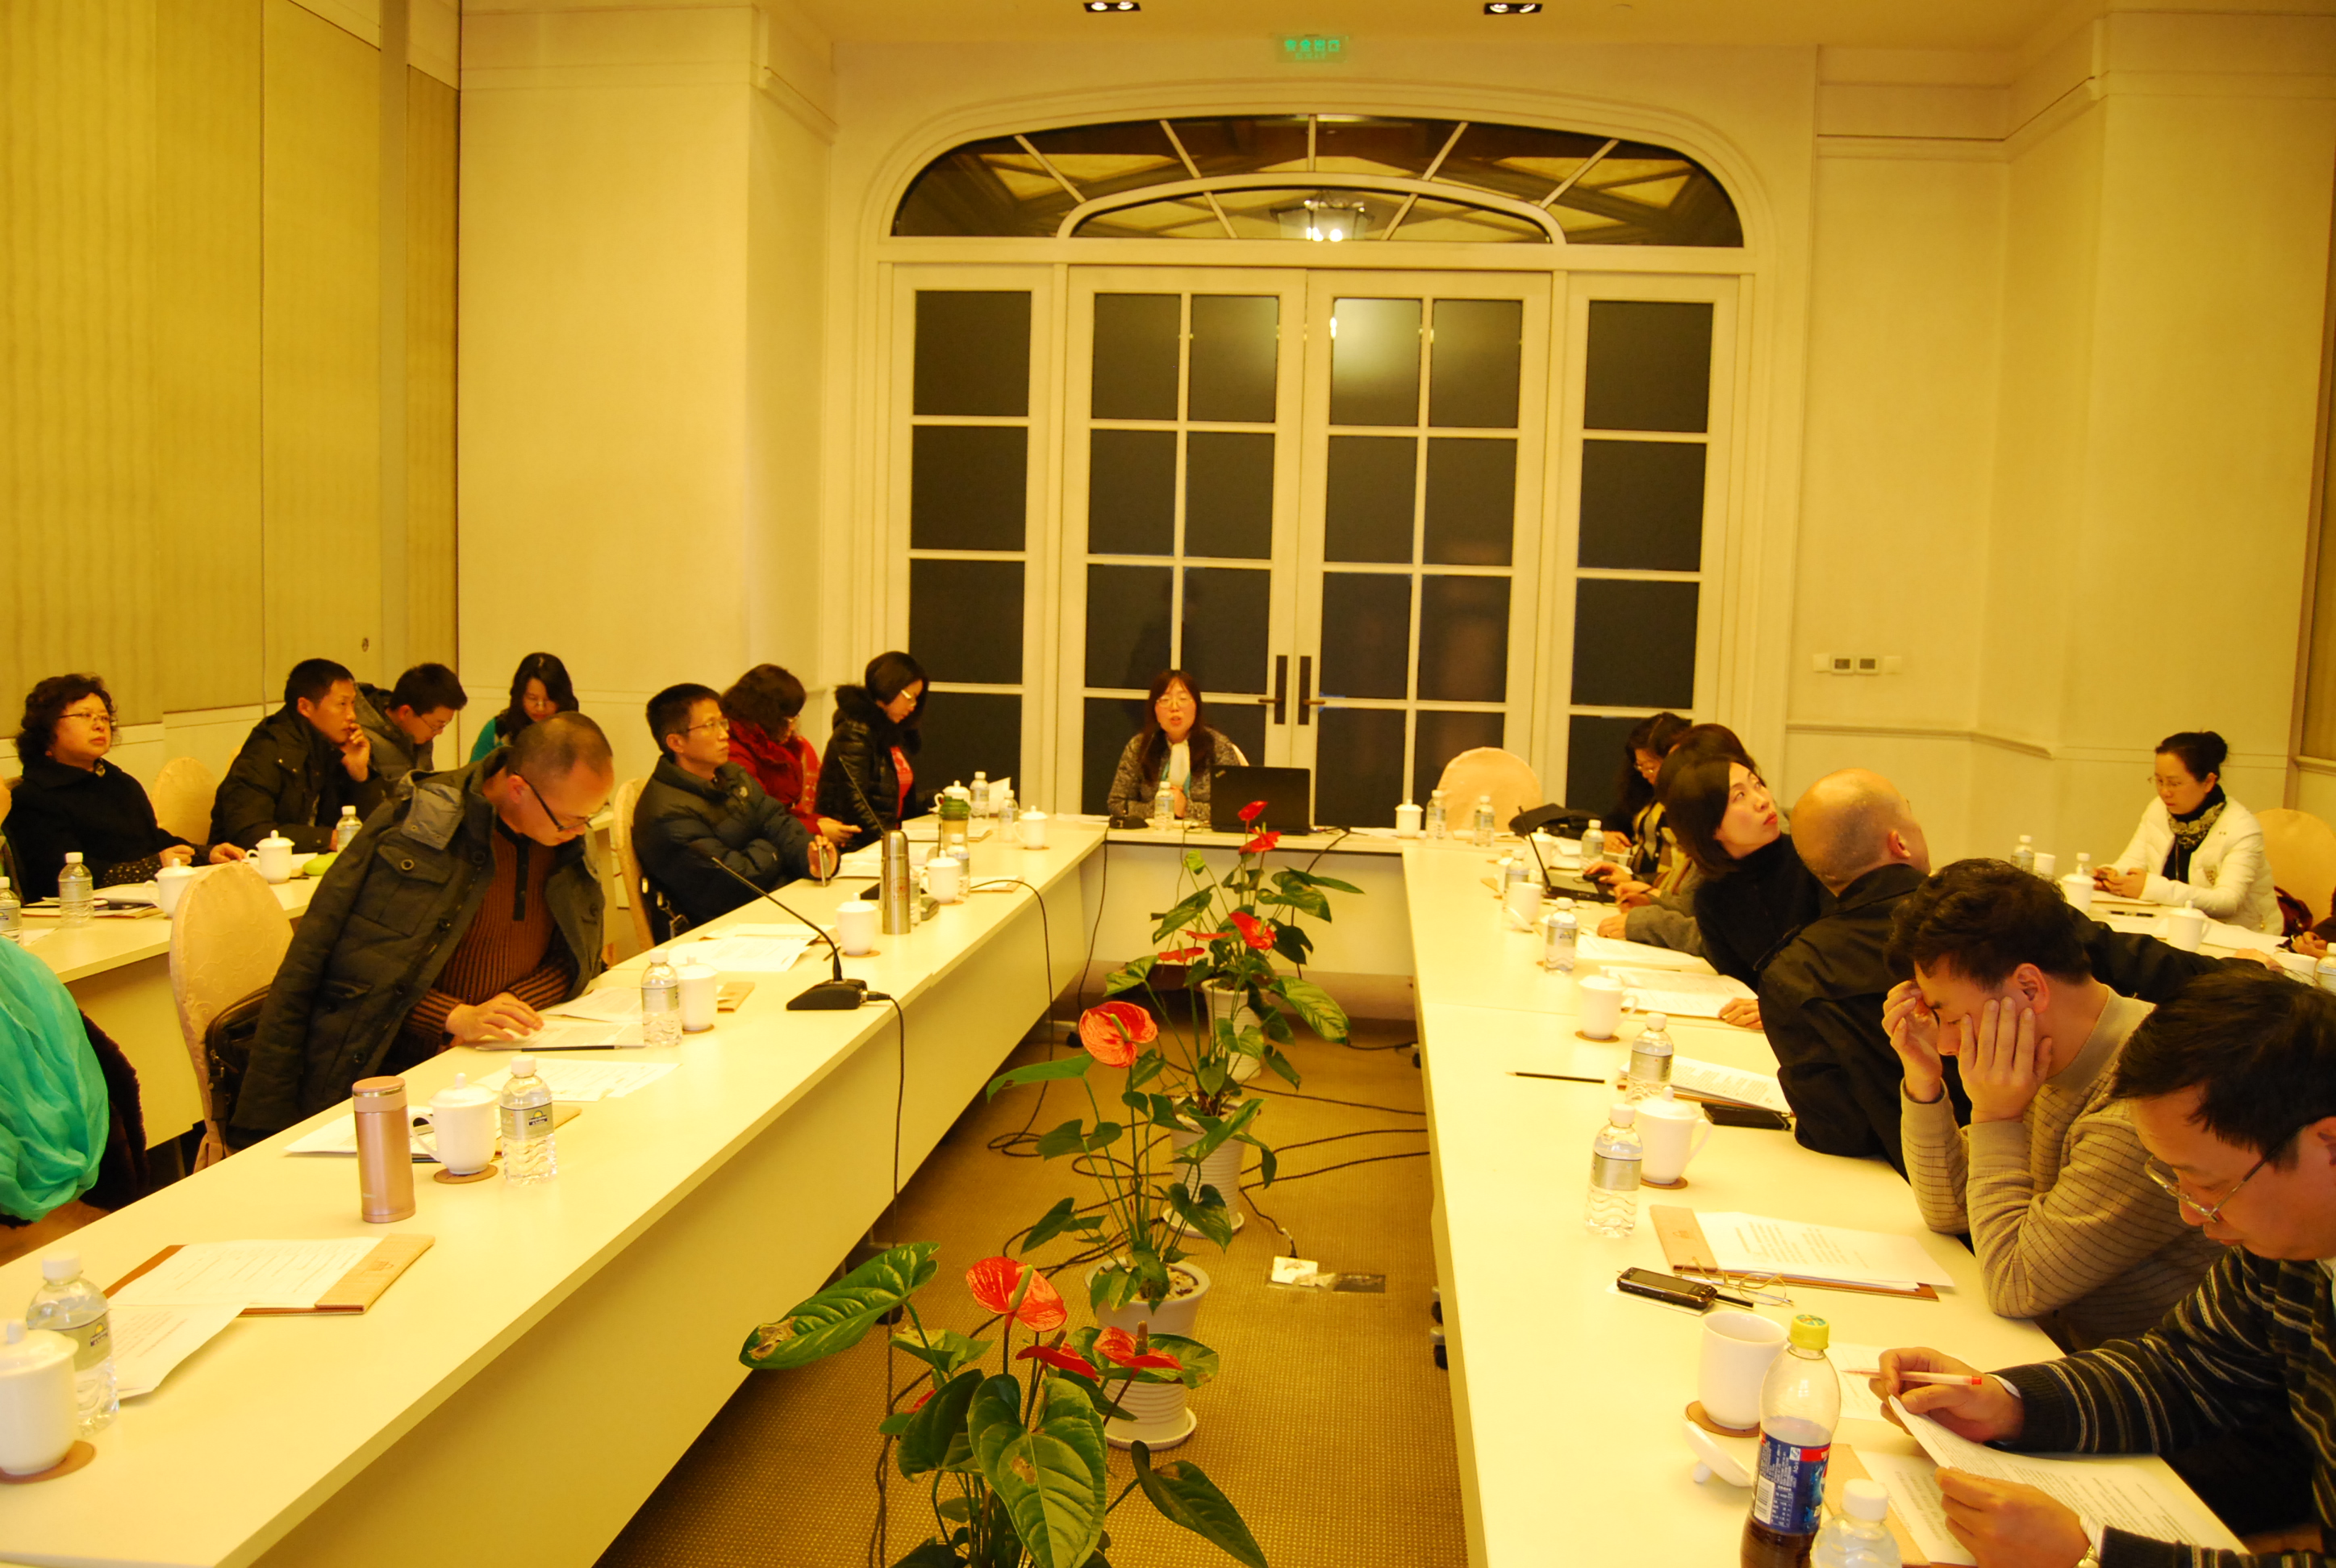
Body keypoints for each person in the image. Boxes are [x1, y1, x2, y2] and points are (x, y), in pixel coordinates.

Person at [1874, 972, 2336, 1563]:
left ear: (2329, 1144)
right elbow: (2186, 1371)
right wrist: (2010, 1404)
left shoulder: (2285, 1238)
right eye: (2175, 1178)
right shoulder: (2286, 1247)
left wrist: (2094, 1554)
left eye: (2209, 1185)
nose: (2191, 1213)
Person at [228, 712, 615, 1141]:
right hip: (401, 1070)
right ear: (518, 789)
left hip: (499, 1056)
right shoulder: (423, 831)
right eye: (570, 819)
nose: (578, 831)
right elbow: (354, 969)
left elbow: (574, 956)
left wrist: (508, 1012)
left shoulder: (560, 841)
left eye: (589, 817)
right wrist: (452, 1016)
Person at [1883, 858, 2221, 1345]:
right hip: (2057, 1347)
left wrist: (1995, 1116)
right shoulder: (2037, 1057)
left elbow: (2015, 1285)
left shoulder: (2145, 1102)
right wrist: (1923, 1080)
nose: (1949, 1044)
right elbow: (1952, 1208)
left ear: (2029, 987)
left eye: (1951, 1018)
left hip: (2131, 1371)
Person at [1757, 769, 1942, 1172]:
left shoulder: (1798, 970)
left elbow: (1838, 1133)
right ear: (1900, 842)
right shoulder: (1993, 916)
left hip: (1904, 1176)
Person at [7, 674, 244, 899]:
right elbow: (58, 876)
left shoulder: (119, 781)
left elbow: (152, 840)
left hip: (141, 901)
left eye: (103, 718)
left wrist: (205, 854)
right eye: (85, 716)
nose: (99, 725)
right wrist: (152, 866)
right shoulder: (35, 795)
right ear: (48, 728)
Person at [632, 683, 832, 936]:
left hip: (772, 907)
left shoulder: (732, 775)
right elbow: (736, 883)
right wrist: (772, 848)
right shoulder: (667, 813)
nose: (724, 734)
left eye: (722, 723)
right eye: (710, 725)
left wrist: (813, 858)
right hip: (722, 934)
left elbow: (778, 822)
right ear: (676, 742)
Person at [1662, 726, 1825, 1024]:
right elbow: (1738, 987)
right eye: (1739, 796)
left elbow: (1849, 967)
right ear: (1711, 827)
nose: (1762, 800)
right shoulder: (1711, 898)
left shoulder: (1814, 860)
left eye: (1758, 784)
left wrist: (1782, 1009)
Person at [2099, 730, 2279, 933]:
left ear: (2208, 782)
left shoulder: (2241, 828)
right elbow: (2134, 861)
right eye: (2159, 781)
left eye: (2174, 783)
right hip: (2170, 926)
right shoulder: (2158, 809)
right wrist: (2111, 875)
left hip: (2238, 935)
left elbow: (2227, 902)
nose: (2164, 792)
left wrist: (2151, 888)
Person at [208, 658, 390, 853]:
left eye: (353, 704)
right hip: (246, 864)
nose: (352, 715)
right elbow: (248, 833)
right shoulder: (266, 750)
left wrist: (360, 775)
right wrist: (327, 839)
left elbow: (369, 831)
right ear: (305, 707)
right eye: (342, 704)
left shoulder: (336, 747)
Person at [1589, 712, 1698, 953]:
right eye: (1640, 766)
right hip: (1647, 894)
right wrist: (1609, 834)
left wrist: (1644, 889)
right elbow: (1619, 817)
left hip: (1662, 905)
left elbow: (1689, 905)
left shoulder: (1691, 802)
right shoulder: (1645, 788)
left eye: (1652, 766)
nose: (1646, 774)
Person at [720, 664, 854, 851]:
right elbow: (757, 816)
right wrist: (815, 829)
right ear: (766, 715)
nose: (792, 727)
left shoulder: (777, 745)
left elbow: (780, 810)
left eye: (795, 719)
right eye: (788, 720)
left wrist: (816, 821)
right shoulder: (735, 751)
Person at [1107, 669, 1250, 824]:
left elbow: (1237, 809)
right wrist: (1160, 807)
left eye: (1183, 699)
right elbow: (1117, 804)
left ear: (1196, 705)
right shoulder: (1140, 745)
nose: (1174, 707)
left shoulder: (1218, 746)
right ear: (1155, 709)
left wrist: (1185, 808)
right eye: (1165, 700)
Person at [817, 652, 928, 841]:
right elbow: (855, 804)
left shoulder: (891, 733)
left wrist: (933, 799)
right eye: (910, 697)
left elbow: (887, 799)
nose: (912, 706)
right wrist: (893, 843)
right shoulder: (854, 732)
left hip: (883, 838)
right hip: (854, 843)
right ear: (890, 687)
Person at [354, 663, 468, 790]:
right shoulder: (360, 738)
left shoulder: (420, 739)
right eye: (436, 725)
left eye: (444, 725)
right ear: (405, 712)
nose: (439, 732)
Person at [468, 652, 578, 762]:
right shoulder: (498, 730)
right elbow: (474, 771)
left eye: (549, 700)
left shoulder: (576, 731)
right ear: (520, 696)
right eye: (532, 698)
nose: (540, 708)